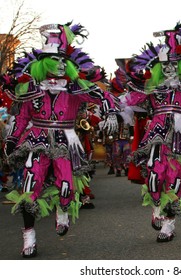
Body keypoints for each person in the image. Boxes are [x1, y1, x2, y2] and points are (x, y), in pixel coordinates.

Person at [1, 22, 118, 258]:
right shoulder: (31, 89)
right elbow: (22, 118)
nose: (60, 66)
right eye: (56, 61)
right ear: (44, 64)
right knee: (28, 189)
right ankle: (29, 238)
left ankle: (63, 211)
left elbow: (102, 95)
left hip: (67, 142)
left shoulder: (75, 88)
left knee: (66, 186)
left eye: (64, 61)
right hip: (37, 142)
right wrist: (12, 140)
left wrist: (110, 112)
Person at [123, 22, 181, 242]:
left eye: (173, 65)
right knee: (154, 175)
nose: (169, 69)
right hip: (156, 135)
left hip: (180, 137)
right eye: (164, 66)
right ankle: (156, 203)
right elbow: (129, 101)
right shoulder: (153, 87)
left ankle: (169, 224)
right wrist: (110, 110)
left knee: (175, 181)